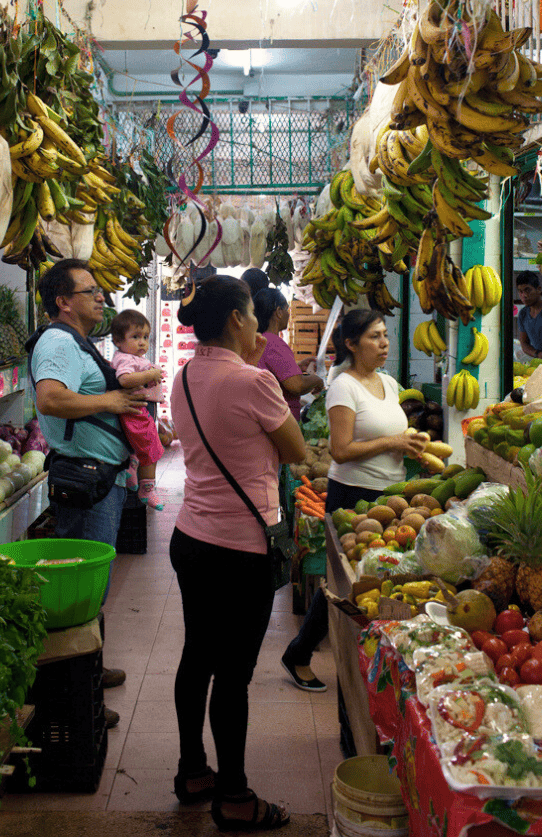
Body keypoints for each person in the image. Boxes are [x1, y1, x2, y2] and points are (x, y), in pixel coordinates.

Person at [170, 275, 305, 830]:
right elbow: (294, 450)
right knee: (234, 675)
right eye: (252, 316)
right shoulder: (255, 381)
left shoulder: (182, 376)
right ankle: (235, 797)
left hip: (191, 538)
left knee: (197, 654)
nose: (259, 325)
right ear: (235, 320)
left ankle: (192, 770)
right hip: (241, 548)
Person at [25, 259, 147, 726]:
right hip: (86, 477)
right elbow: (51, 398)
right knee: (83, 583)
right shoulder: (57, 341)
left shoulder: (77, 341)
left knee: (94, 580)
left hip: (102, 476)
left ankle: (90, 667)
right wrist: (112, 402)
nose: (101, 297)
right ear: (63, 301)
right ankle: (79, 690)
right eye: (90, 291)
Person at [281, 309, 428, 692]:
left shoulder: (389, 384)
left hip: (390, 496)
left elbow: (389, 438)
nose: (384, 344)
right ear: (351, 343)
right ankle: (301, 652)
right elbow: (341, 449)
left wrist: (411, 447)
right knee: (347, 586)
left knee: (378, 584)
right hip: (353, 496)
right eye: (374, 337)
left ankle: (378, 664)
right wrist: (394, 441)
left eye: (385, 335)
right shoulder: (343, 387)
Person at [110, 308, 166, 510]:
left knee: (139, 445)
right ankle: (148, 488)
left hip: (140, 410)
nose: (142, 342)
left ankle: (132, 471)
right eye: (135, 337)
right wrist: (150, 375)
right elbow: (125, 379)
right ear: (117, 340)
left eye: (145, 337)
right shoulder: (124, 359)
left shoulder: (133, 358)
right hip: (134, 411)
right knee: (152, 446)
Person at [253, 288, 324, 421]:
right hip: (281, 421)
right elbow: (297, 385)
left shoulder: (260, 341)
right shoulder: (274, 342)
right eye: (287, 308)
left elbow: (273, 373)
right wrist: (317, 380)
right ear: (279, 312)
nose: (288, 314)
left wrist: (296, 367)